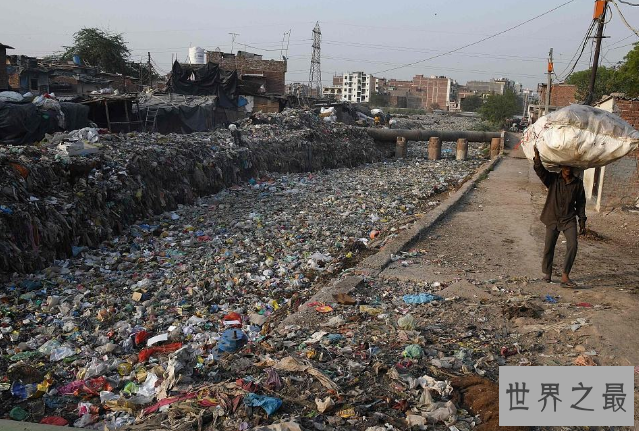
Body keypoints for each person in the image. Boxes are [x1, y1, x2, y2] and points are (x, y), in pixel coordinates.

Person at [533, 146, 587, 288]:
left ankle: (565, 276)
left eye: (570, 167)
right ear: (561, 167)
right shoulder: (552, 179)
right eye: (565, 166)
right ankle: (547, 273)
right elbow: (540, 171)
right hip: (552, 217)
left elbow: (581, 203)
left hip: (569, 219)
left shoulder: (577, 184)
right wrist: (537, 157)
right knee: (549, 246)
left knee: (573, 245)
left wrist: (582, 221)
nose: (568, 169)